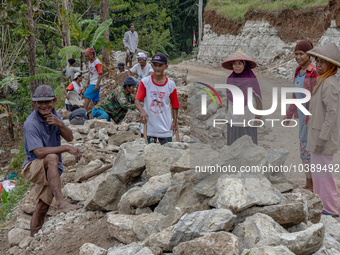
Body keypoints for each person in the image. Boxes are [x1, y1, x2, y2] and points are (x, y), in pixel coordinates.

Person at [22, 85, 82, 237]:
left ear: (54, 101)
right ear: (34, 103)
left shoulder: (55, 116)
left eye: (47, 101)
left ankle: (32, 239)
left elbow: (70, 137)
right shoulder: (31, 123)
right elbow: (39, 152)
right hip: (33, 166)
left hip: (51, 168)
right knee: (52, 157)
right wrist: (65, 148)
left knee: (42, 206)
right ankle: (61, 203)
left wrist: (60, 124)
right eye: (39, 102)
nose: (43, 105)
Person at [306, 43, 340, 217]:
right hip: (318, 135)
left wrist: (322, 138)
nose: (318, 65)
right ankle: (322, 204)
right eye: (317, 61)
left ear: (331, 66)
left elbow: (332, 114)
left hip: (322, 138)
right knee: (318, 170)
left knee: (324, 172)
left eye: (322, 62)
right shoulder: (324, 80)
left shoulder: (329, 84)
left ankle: (331, 208)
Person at [284, 40, 319, 192]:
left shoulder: (314, 72)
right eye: (296, 54)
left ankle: (314, 186)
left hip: (311, 119)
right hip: (302, 119)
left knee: (310, 152)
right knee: (304, 152)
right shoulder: (298, 71)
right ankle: (308, 184)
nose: (298, 57)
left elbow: (317, 97)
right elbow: (295, 96)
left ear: (309, 54)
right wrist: (288, 115)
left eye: (301, 54)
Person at [135, 53, 180, 145]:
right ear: (151, 66)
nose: (157, 68)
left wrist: (174, 121)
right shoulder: (145, 82)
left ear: (166, 66)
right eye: (155, 65)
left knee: (167, 154)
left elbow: (175, 105)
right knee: (147, 155)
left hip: (166, 128)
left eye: (160, 65)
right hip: (149, 127)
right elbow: (137, 100)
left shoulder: (170, 84)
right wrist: (142, 112)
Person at [222, 49, 263, 145]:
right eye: (234, 64)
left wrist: (258, 116)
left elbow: (258, 97)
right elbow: (229, 98)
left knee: (249, 141)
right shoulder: (230, 79)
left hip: (248, 113)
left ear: (244, 65)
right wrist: (227, 114)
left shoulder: (251, 79)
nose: (237, 66)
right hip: (233, 113)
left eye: (240, 63)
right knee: (233, 141)